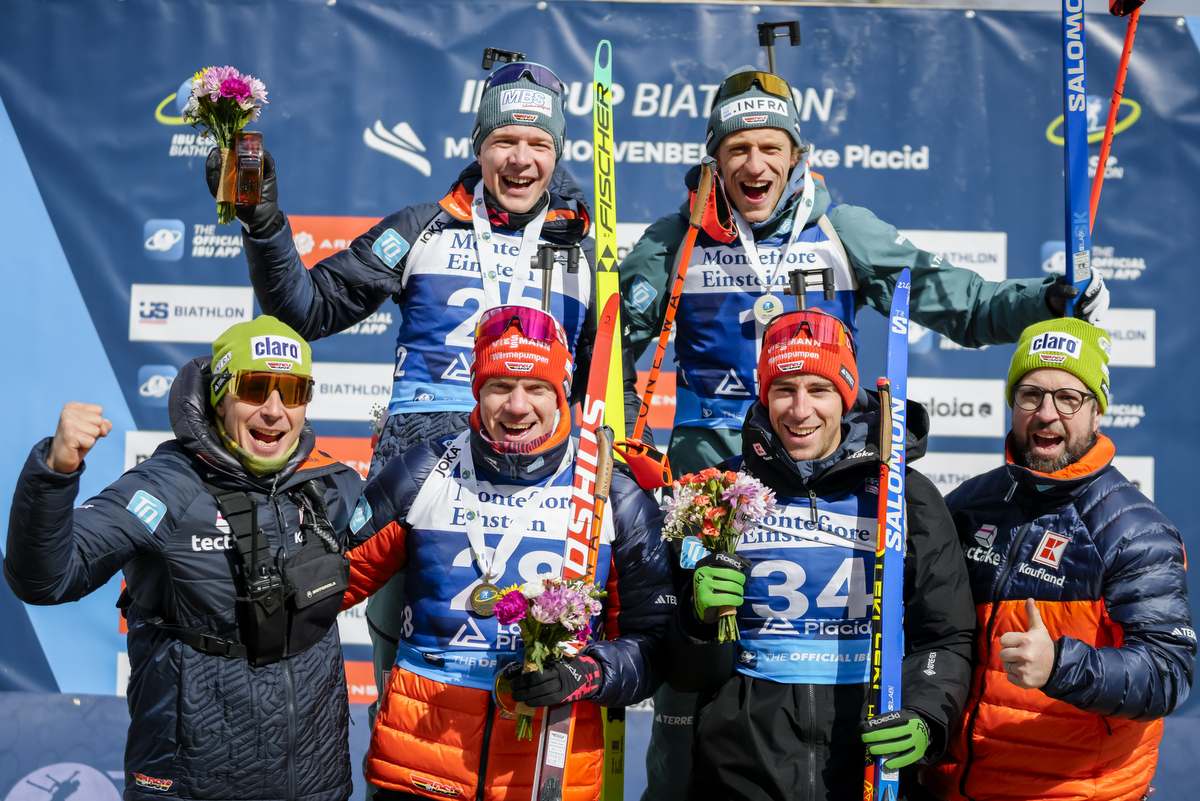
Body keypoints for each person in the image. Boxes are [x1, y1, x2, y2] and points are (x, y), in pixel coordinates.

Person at [620, 65, 1110, 798]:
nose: (755, 164)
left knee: (830, 661)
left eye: (770, 147)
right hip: (711, 492)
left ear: (796, 155)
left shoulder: (841, 231)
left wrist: (1045, 302)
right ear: (714, 158)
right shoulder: (675, 241)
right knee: (689, 687)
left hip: (824, 479)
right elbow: (604, 352)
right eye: (738, 148)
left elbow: (960, 301)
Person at [207, 60, 649, 754]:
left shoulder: (586, 253)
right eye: (504, 140)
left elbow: (608, 390)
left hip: (538, 492)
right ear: (478, 145)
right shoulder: (422, 229)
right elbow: (304, 309)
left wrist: (615, 471)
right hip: (417, 486)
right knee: (408, 687)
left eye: (539, 143)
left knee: (535, 682)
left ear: (558, 153)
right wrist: (262, 220)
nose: (521, 158)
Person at [4, 316, 367, 801]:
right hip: (191, 786)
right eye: (255, 389)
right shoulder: (165, 487)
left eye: (293, 392)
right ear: (220, 397)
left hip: (317, 784)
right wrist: (55, 473)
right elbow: (44, 580)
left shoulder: (331, 484)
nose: (275, 411)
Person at [337, 305, 675, 800]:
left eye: (536, 387)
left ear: (561, 393)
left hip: (546, 772)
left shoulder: (613, 495)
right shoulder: (425, 470)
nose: (517, 407)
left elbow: (654, 643)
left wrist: (587, 673)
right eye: (500, 386)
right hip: (420, 765)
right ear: (477, 389)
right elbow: (330, 585)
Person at [665, 309, 975, 800]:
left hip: (867, 760)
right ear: (764, 396)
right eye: (784, 389)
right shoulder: (721, 492)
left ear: (846, 397)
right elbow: (687, 675)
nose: (800, 409)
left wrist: (925, 715)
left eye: (819, 389)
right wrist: (696, 621)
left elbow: (944, 636)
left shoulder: (904, 494)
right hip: (741, 769)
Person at [921, 318, 1195, 801]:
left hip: (1071, 791)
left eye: (1068, 398)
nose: (1046, 414)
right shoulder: (968, 505)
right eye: (1030, 395)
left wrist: (1059, 666)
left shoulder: (1133, 531)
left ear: (1097, 412)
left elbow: (1167, 675)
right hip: (949, 787)